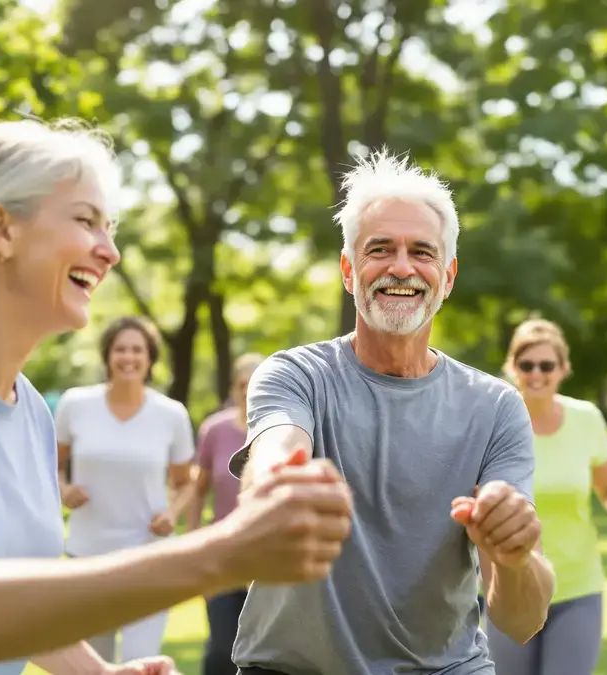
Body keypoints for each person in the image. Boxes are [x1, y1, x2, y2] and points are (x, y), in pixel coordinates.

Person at [0, 118, 354, 675]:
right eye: (87, 222)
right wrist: (222, 553)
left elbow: (9, 594)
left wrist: (98, 671)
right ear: (1, 229)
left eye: (111, 229)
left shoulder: (29, 408)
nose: (111, 252)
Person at [227, 150, 556, 675]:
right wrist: (278, 481)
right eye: (380, 249)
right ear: (348, 271)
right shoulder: (296, 375)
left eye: (421, 252)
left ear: (446, 276)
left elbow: (520, 620)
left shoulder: (495, 407)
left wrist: (515, 556)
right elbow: (277, 454)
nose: (401, 267)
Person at [487, 318, 607, 675]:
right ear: (512, 368)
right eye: (526, 365)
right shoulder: (493, 420)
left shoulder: (585, 419)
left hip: (577, 586)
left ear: (564, 369)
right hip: (511, 587)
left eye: (547, 365)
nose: (536, 374)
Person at [54, 316, 198, 664]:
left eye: (137, 350)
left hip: (149, 556)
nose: (128, 357)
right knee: (93, 667)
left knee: (139, 662)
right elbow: (51, 464)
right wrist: (63, 489)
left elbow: (186, 482)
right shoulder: (75, 405)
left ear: (150, 358)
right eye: (120, 349)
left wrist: (172, 514)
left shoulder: (170, 414)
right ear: (107, 356)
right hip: (87, 557)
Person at [188, 351, 265, 675]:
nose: (247, 391)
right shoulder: (214, 429)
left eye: (255, 383)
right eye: (241, 384)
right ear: (233, 388)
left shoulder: (284, 426)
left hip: (266, 557)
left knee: (260, 651)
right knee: (221, 648)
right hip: (221, 555)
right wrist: (193, 542)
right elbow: (198, 489)